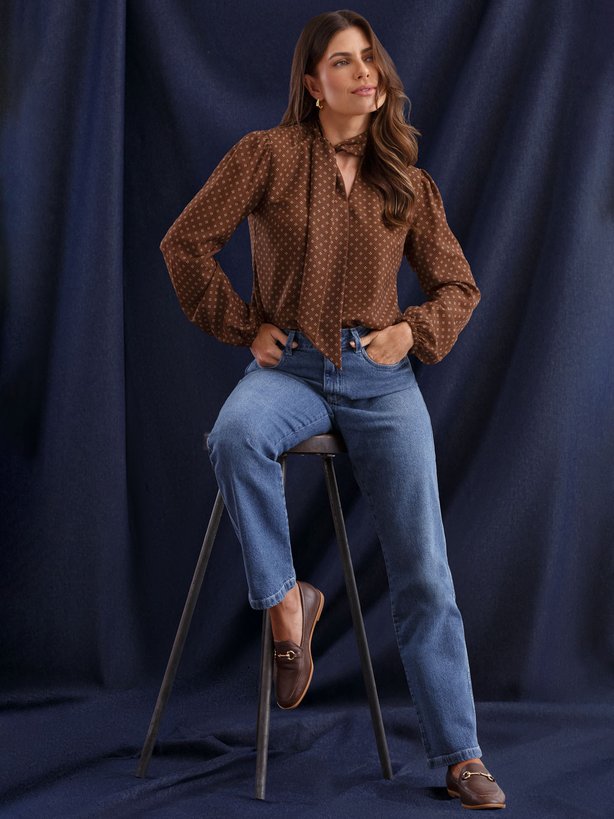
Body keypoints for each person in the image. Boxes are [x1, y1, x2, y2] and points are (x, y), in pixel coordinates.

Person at [159, 9, 506, 811]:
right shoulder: (267, 155)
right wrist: (243, 325)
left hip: (382, 382)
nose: (364, 72)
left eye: (369, 58)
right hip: (294, 368)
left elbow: (459, 285)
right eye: (344, 61)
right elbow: (186, 243)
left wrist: (410, 332)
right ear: (313, 84)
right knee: (236, 434)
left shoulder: (406, 182)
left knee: (424, 568)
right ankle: (289, 604)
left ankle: (461, 753)